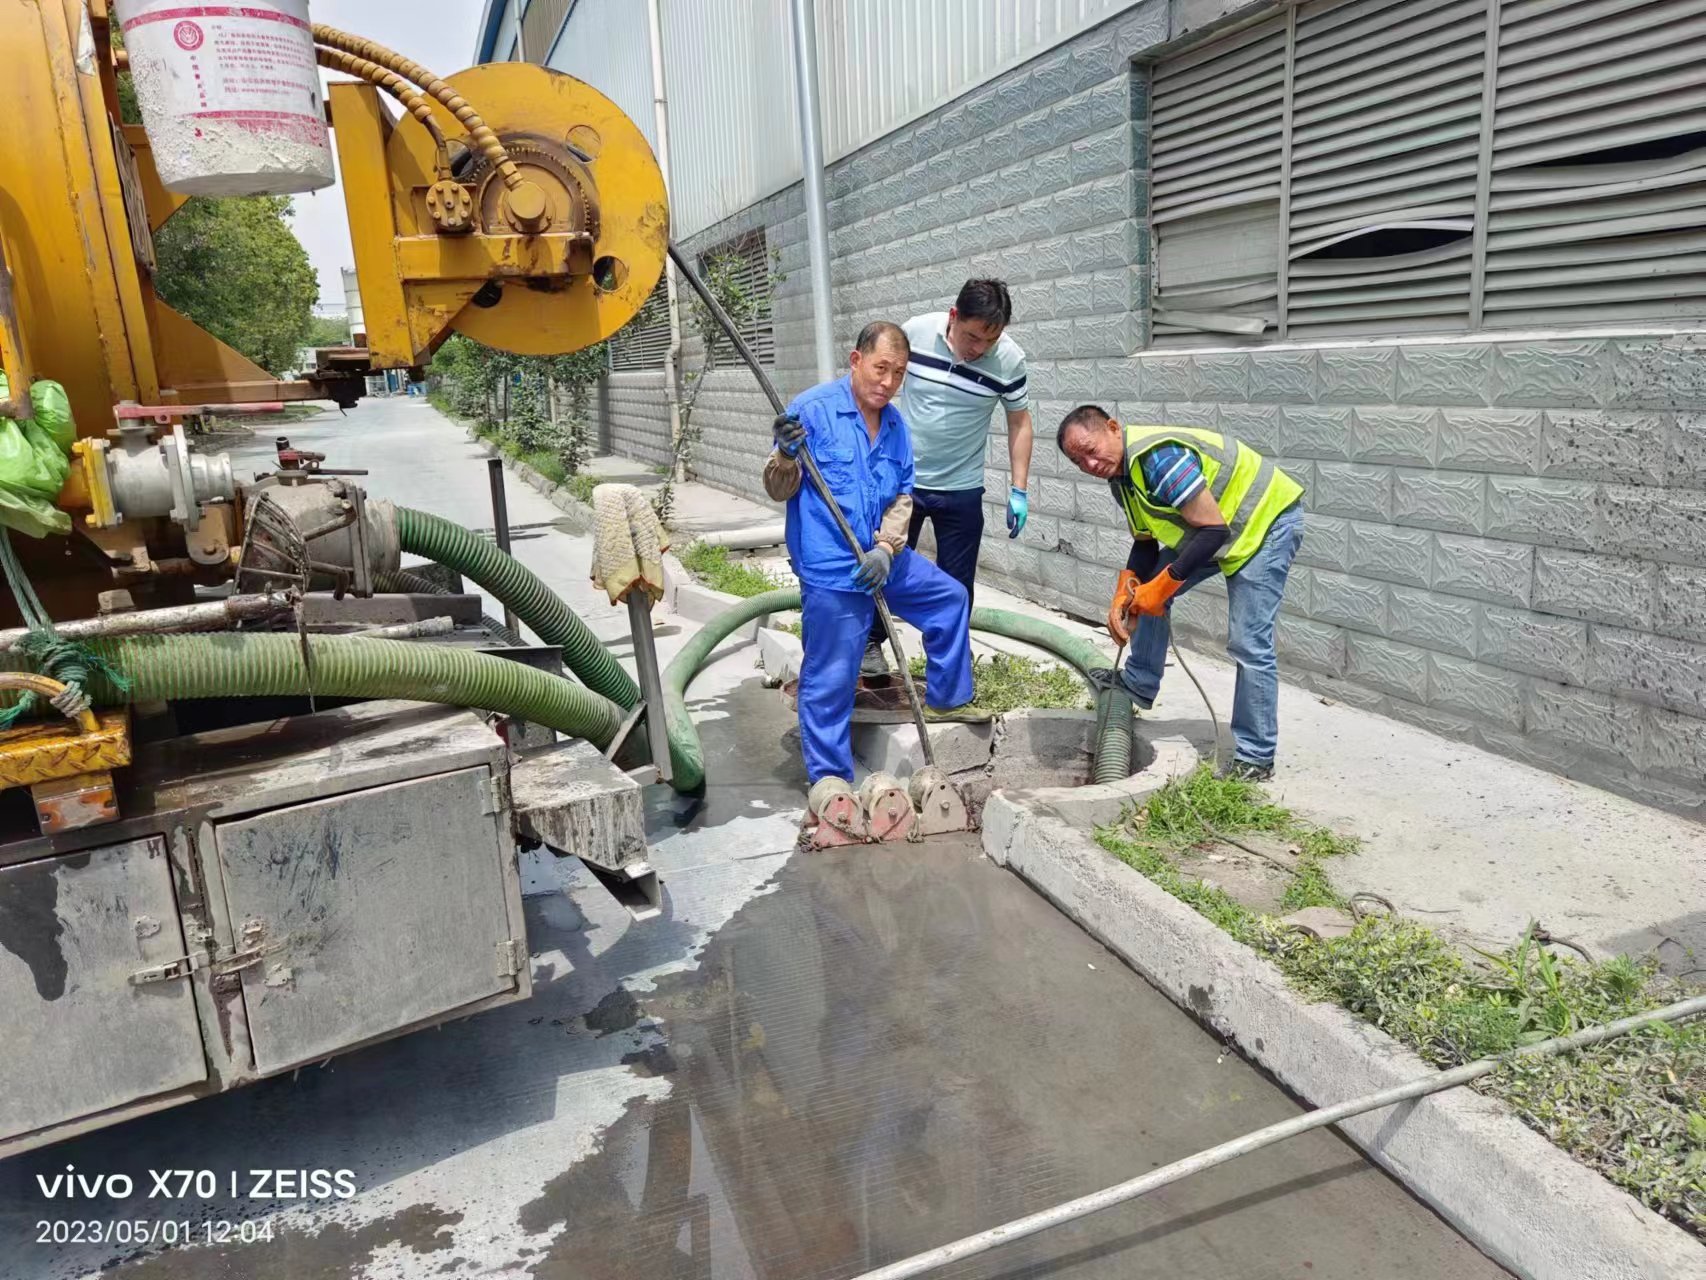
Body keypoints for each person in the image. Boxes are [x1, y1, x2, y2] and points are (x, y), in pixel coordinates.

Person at [765, 322, 975, 786]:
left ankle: (947, 701)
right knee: (831, 679)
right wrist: (784, 454)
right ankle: (832, 784)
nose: (888, 383)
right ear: (856, 360)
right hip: (833, 570)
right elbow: (779, 488)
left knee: (949, 598)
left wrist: (886, 547)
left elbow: (902, 496)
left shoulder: (896, 426)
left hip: (882, 559)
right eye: (881, 369)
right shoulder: (812, 411)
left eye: (899, 374)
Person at [1056, 405, 1305, 782]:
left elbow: (1214, 532)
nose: (1089, 464)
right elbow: (1144, 544)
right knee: (1150, 588)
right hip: (1216, 528)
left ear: (1112, 427)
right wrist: (1126, 592)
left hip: (1262, 523)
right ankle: (1139, 683)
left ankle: (1256, 756)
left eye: (1091, 450)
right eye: (1078, 461)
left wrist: (1162, 585)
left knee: (1249, 643)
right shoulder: (1121, 479)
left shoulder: (1159, 460)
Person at [862, 279, 1032, 676]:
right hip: (905, 483)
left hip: (962, 489)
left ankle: (949, 662)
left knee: (957, 585)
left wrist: (1019, 489)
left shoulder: (1009, 360)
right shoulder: (916, 333)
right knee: (883, 563)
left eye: (989, 341)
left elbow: (1019, 421)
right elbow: (879, 393)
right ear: (953, 316)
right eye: (972, 337)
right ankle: (870, 643)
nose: (978, 349)